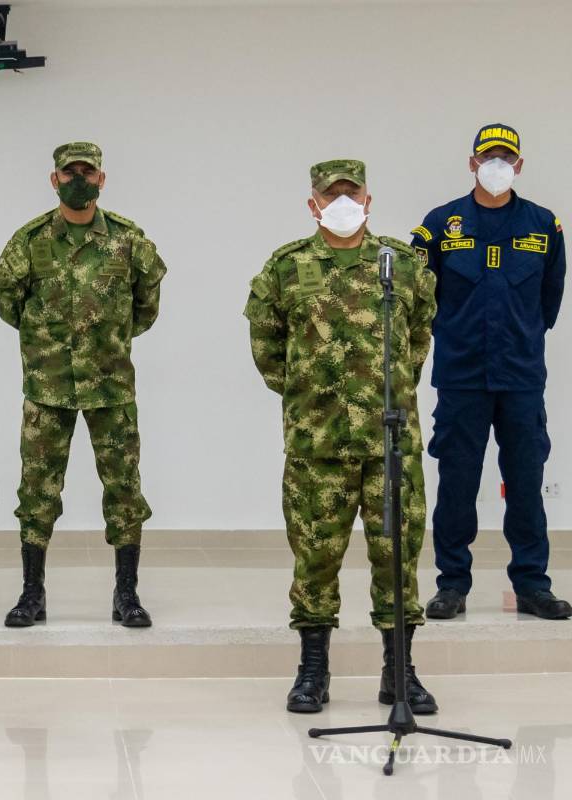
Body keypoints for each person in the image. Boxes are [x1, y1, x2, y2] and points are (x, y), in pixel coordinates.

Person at [244, 159, 439, 714]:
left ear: (369, 201)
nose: (344, 203)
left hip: (390, 443)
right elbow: (267, 347)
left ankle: (399, 673)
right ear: (314, 204)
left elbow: (418, 339)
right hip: (318, 445)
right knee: (315, 557)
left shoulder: (403, 265)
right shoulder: (286, 267)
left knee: (397, 555)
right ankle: (313, 671)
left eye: (353, 193)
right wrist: (310, 397)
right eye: (332, 195)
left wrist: (388, 387)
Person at [0, 141, 166, 629]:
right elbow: (9, 304)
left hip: (111, 386)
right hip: (48, 388)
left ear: (102, 179)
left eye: (88, 172)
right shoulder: (29, 241)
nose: (79, 180)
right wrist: (49, 343)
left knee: (124, 489)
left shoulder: (129, 240)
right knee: (37, 491)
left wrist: (106, 341)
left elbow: (145, 308)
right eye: (70, 173)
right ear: (55, 180)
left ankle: (126, 594)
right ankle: (32, 593)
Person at [412, 124, 569, 621]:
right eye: (487, 157)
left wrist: (521, 337)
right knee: (457, 483)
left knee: (525, 482)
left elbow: (549, 300)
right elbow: (421, 298)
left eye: (506, 158)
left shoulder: (544, 225)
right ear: (472, 163)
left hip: (521, 376)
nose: (496, 166)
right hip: (461, 376)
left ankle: (533, 585)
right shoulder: (441, 225)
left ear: (519, 165)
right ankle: (452, 584)